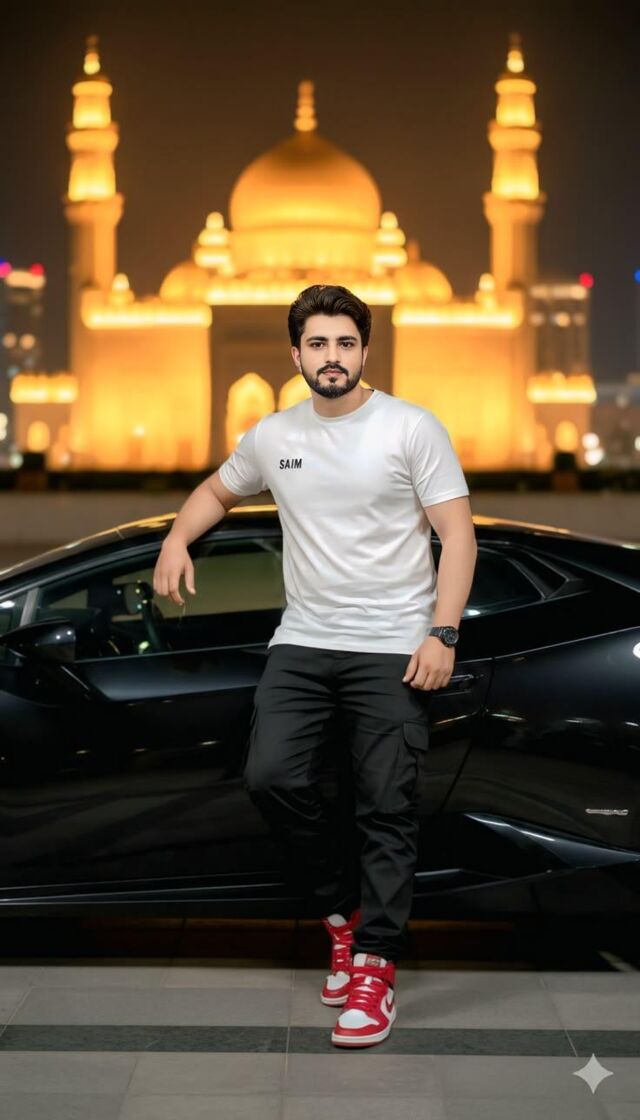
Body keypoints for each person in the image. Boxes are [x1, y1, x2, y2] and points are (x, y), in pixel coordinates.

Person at [153, 284, 477, 1048]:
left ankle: (375, 964)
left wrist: (442, 633)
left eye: (346, 343)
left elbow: (458, 537)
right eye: (319, 344)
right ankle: (344, 913)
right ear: (295, 354)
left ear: (365, 350)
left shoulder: (410, 428)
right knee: (272, 777)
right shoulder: (273, 434)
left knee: (386, 803)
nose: (333, 357)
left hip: (392, 644)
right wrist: (176, 538)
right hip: (303, 641)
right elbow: (217, 491)